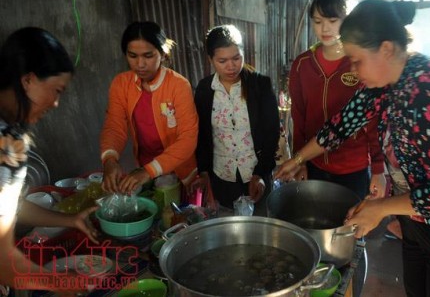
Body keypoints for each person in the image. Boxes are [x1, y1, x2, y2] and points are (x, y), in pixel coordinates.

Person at [276, 0, 430, 297]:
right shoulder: (385, 83)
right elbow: (342, 123)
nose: (354, 70)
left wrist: (380, 208)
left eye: (357, 61)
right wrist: (298, 159)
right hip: (419, 221)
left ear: (386, 49)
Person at [0, 27, 99, 294]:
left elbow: (9, 209)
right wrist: (63, 283)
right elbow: (4, 263)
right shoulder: (7, 143)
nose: (56, 103)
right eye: (57, 90)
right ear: (28, 80)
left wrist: (71, 219)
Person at [289, 0, 385, 200]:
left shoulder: (359, 62)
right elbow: (298, 116)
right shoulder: (302, 64)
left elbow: (372, 119)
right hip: (313, 164)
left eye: (333, 21)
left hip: (354, 167)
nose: (325, 29)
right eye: (317, 21)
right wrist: (299, 160)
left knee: (350, 227)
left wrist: (378, 169)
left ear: (347, 20)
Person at [100, 21, 198, 194]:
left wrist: (148, 171)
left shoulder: (179, 85)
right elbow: (114, 127)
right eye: (132, 56)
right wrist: (109, 160)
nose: (140, 64)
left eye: (148, 55)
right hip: (144, 167)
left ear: (162, 53)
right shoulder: (121, 84)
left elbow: (188, 139)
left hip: (179, 169)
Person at [194, 24, 279, 210]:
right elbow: (202, 135)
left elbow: (271, 134)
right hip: (222, 176)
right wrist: (204, 172)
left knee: (260, 228)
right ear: (211, 60)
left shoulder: (260, 85)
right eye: (222, 61)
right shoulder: (204, 90)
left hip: (256, 176)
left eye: (236, 58)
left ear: (243, 53)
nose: (231, 66)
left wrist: (261, 173)